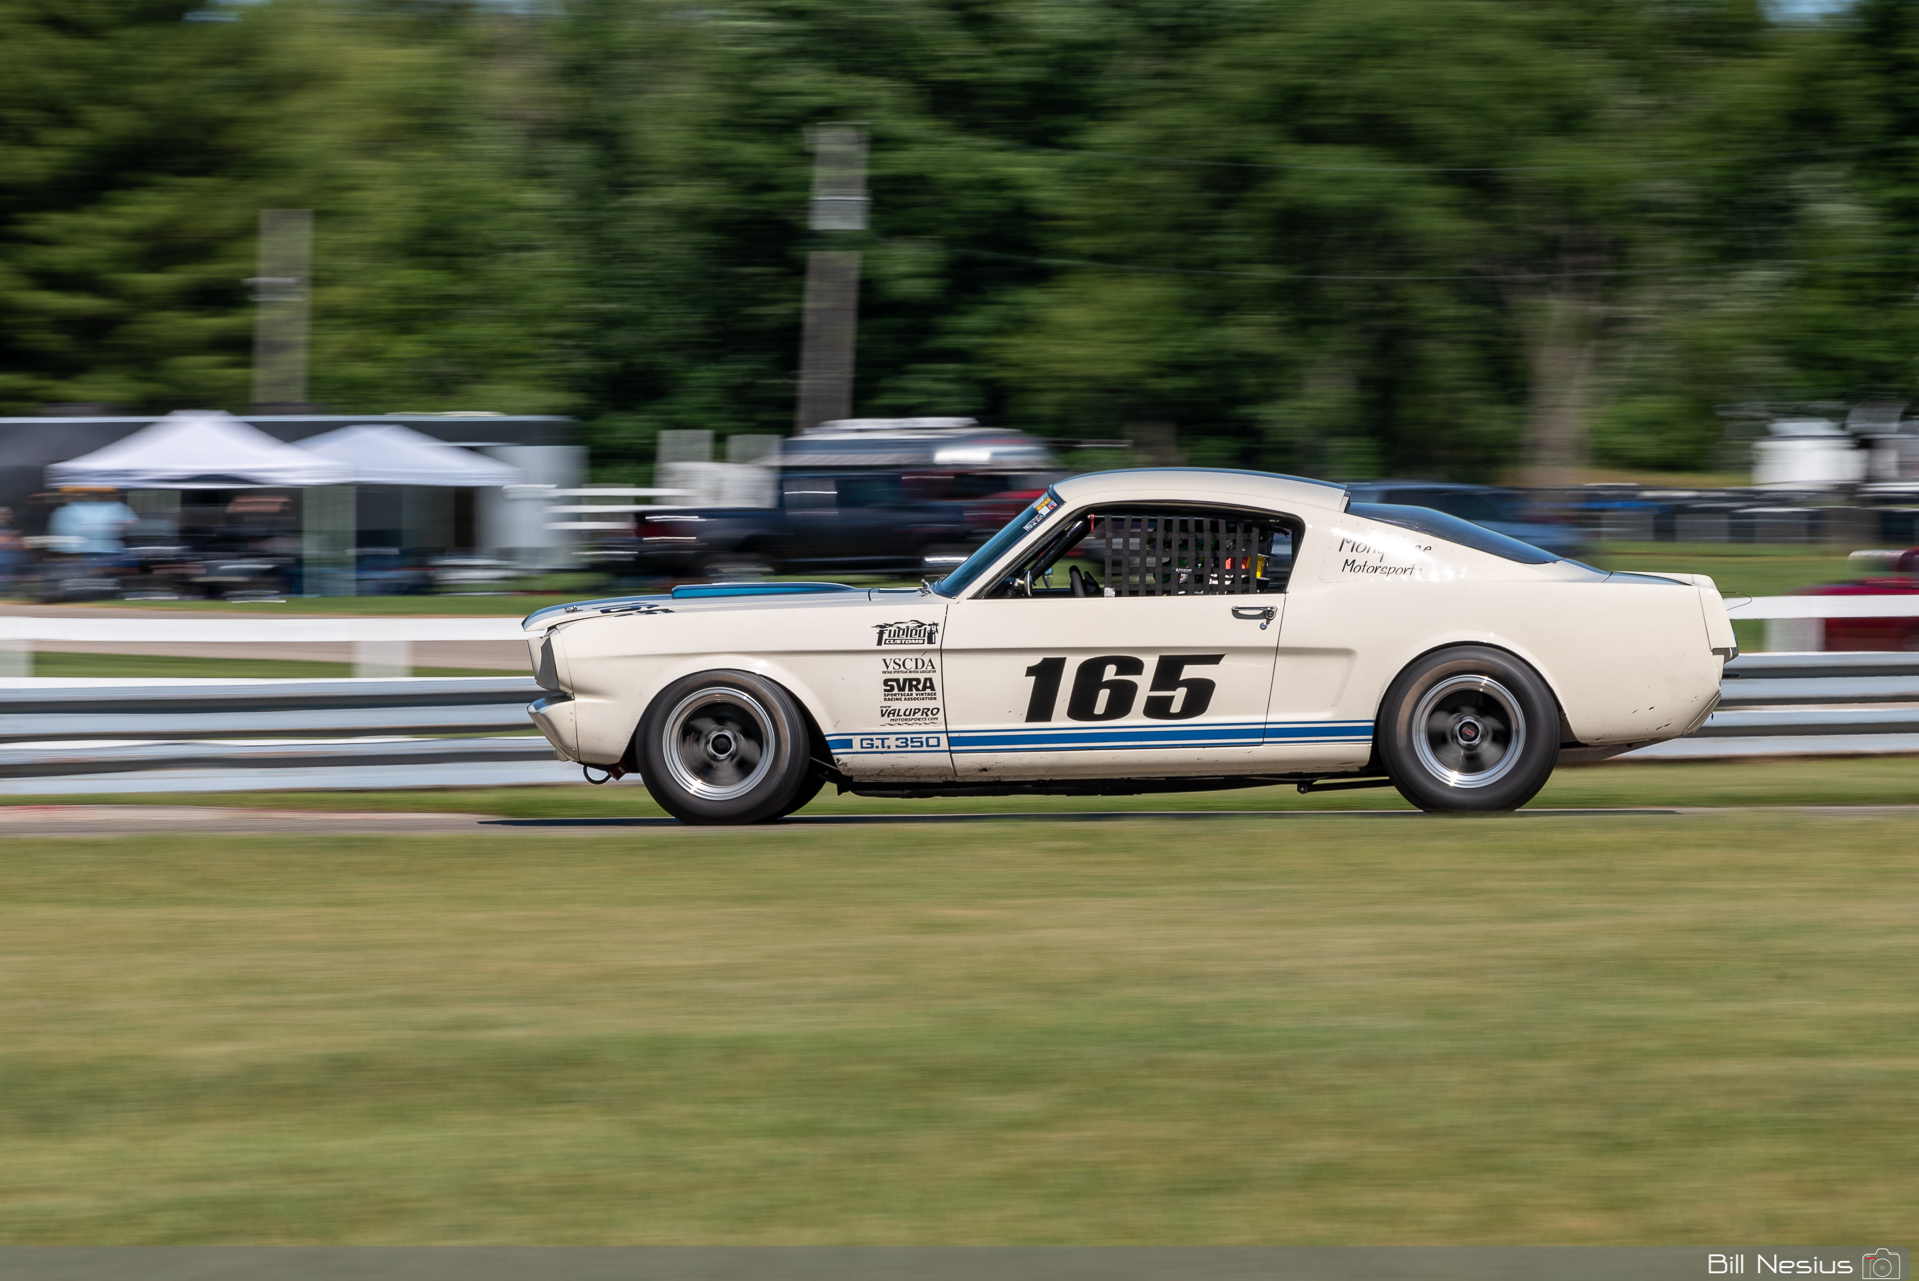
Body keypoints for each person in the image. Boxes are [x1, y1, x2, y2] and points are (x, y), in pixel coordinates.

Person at [47, 488, 138, 566]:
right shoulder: (117, 507)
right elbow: (132, 522)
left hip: (95, 554)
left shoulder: (64, 510)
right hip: (97, 554)